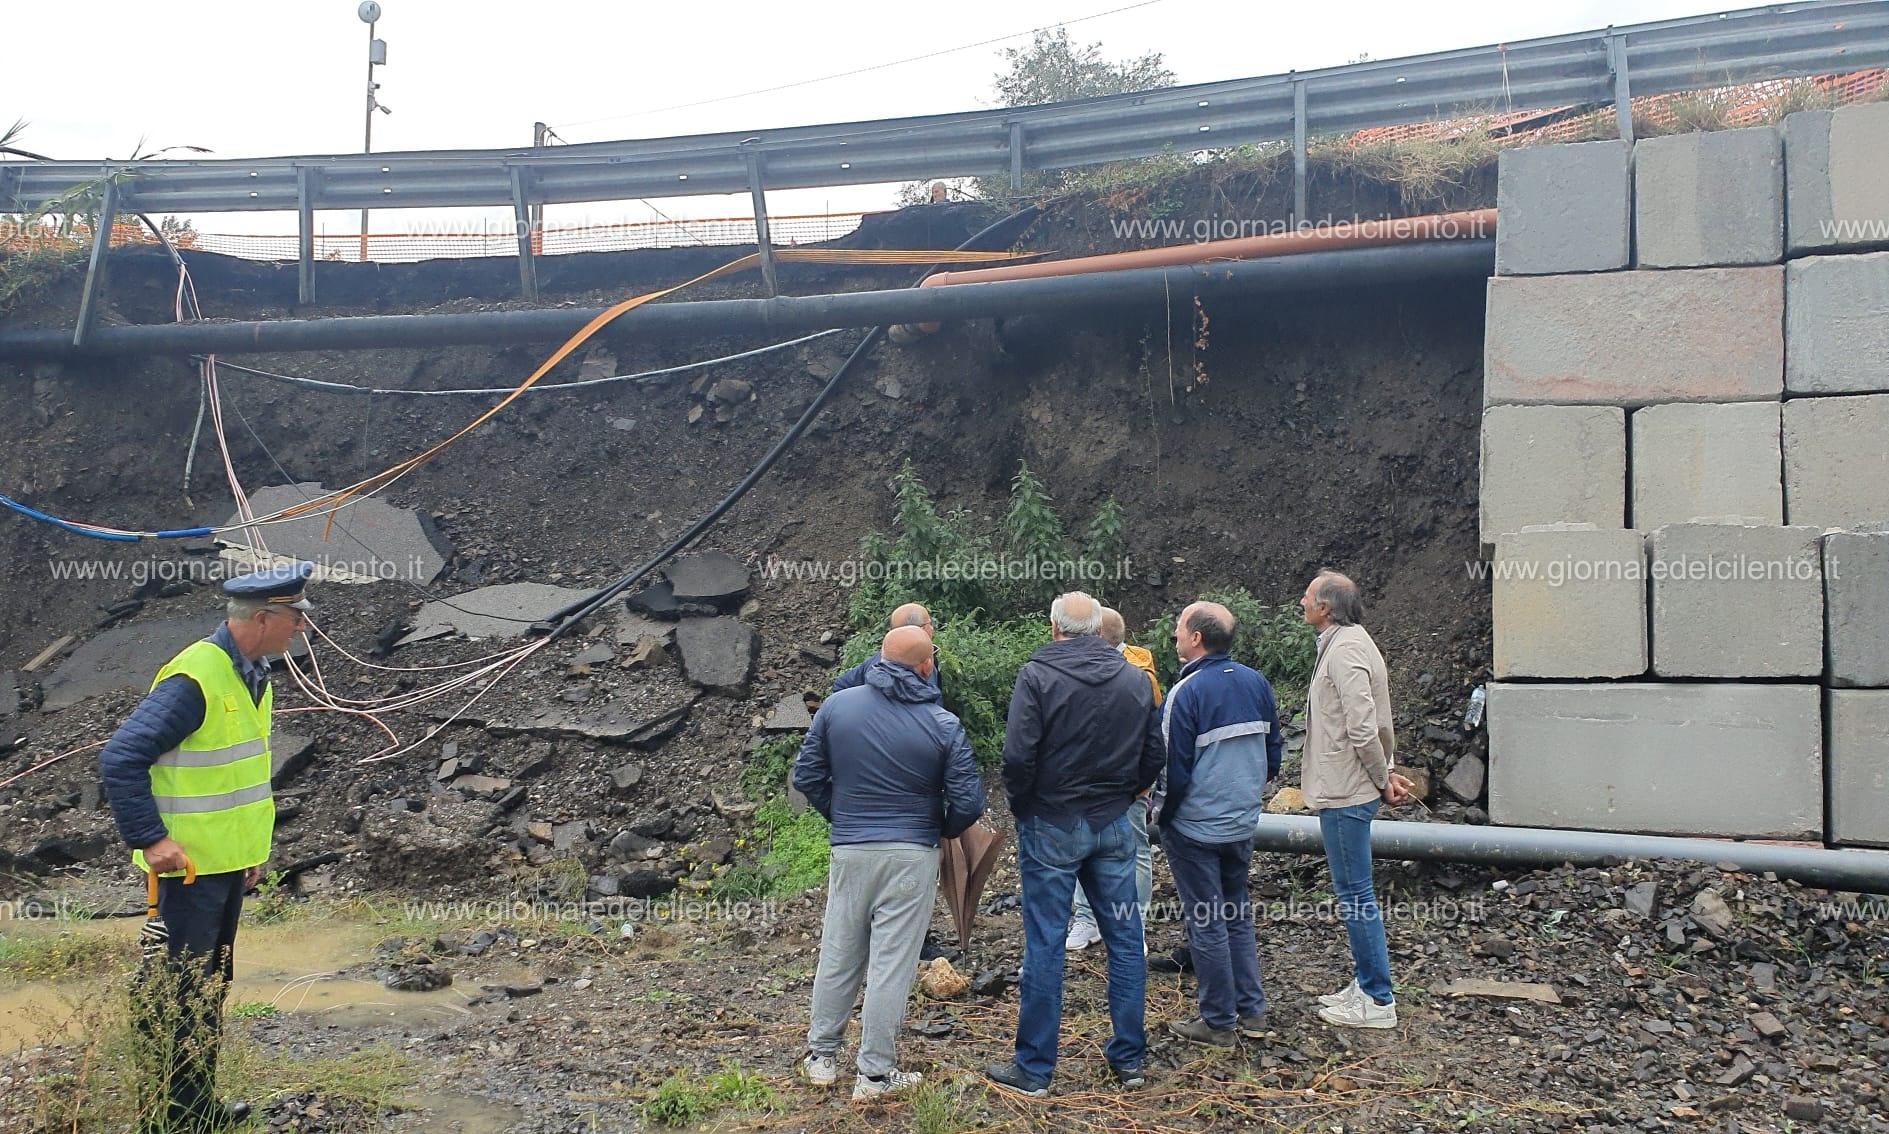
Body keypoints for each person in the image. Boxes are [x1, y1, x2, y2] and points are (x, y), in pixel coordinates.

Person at [99, 562, 313, 1132]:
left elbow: (235, 779)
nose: (302, 628)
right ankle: (164, 1117)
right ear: (264, 617)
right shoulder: (196, 678)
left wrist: (251, 850)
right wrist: (151, 839)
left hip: (223, 868)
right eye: (295, 617)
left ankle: (193, 1108)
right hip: (184, 873)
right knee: (175, 993)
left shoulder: (251, 674)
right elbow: (121, 758)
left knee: (206, 989)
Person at [793, 625, 986, 1100]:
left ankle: (820, 1058)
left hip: (852, 848)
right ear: (927, 665)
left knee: (839, 952)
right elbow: (968, 801)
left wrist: (842, 816)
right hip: (910, 854)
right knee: (891, 965)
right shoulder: (942, 723)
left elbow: (807, 775)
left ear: (879, 658)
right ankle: (874, 1076)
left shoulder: (838, 706)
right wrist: (938, 828)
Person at [985, 592, 1163, 1097]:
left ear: (1054, 627)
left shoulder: (1037, 677)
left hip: (1052, 823)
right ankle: (1129, 1059)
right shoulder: (1134, 678)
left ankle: (1035, 1070)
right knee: (1126, 940)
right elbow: (1156, 751)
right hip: (1112, 821)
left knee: (1045, 941)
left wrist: (1024, 807)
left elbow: (1018, 756)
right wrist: (1129, 792)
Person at [1156, 601, 1282, 1047]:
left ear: (1196, 639)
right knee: (1236, 915)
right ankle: (1252, 1012)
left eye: (1178, 629)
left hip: (1196, 828)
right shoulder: (1256, 682)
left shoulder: (1185, 693)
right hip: (1241, 823)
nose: (1174, 637)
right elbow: (1274, 752)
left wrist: (1162, 818)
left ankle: (1217, 1021)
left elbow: (1172, 767)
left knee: (1206, 920)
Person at [1299, 571, 1411, 1030]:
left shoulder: (1344, 651)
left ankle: (1377, 999)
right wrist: (1382, 773)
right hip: (1351, 784)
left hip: (1347, 790)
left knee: (1356, 895)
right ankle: (1366, 982)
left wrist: (1382, 778)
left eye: (1307, 597)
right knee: (1355, 893)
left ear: (1325, 608)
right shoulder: (1347, 643)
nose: (1301, 602)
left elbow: (1363, 727)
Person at [1066, 607, 1160, 952]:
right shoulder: (1081, 669)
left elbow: (1153, 738)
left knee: (1134, 852)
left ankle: (1132, 925)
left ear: (1098, 636)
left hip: (1127, 786)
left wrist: (1140, 784)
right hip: (1083, 784)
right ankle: (1088, 921)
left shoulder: (1139, 675)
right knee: (1082, 848)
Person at [830, 603, 938, 693]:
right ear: (921, 630)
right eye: (929, 623)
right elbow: (842, 685)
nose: (932, 628)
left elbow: (841, 684)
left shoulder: (880, 659)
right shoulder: (918, 664)